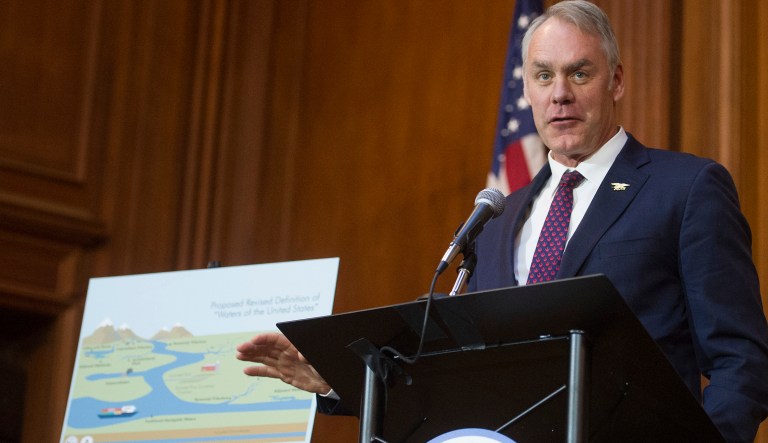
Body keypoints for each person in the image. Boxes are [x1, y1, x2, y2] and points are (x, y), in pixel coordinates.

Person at [237, 1, 768, 441]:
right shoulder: (496, 219)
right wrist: (336, 382)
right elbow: (455, 377)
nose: (559, 92)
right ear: (528, 91)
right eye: (543, 76)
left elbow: (741, 361)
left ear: (617, 80)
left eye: (579, 72)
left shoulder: (686, 188)